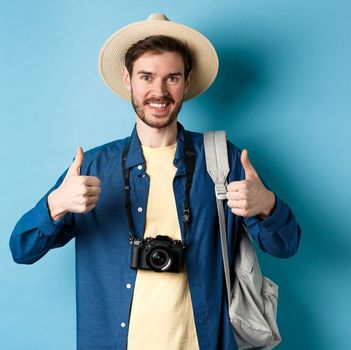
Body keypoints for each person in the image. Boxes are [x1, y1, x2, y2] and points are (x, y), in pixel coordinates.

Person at [9, 13, 301, 349]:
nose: (159, 91)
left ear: (187, 82)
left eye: (171, 78)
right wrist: (56, 205)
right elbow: (21, 249)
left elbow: (286, 246)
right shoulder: (92, 167)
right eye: (147, 76)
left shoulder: (222, 160)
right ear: (128, 79)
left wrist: (267, 206)